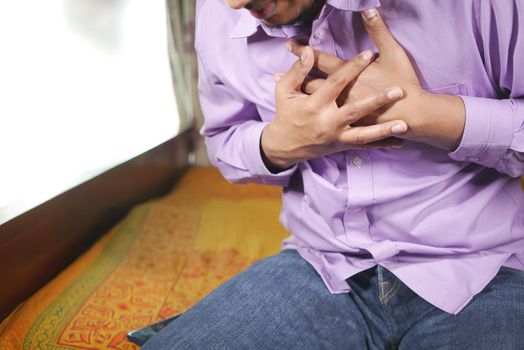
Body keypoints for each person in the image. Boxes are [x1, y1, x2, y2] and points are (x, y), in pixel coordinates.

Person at [143, 0, 524, 349]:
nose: (235, 3)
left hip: (485, 267)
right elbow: (222, 141)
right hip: (320, 264)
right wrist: (278, 143)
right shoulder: (219, 11)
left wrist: (428, 115)